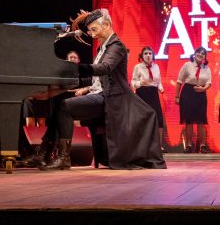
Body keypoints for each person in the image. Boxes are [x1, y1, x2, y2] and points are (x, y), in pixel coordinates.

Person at [36, 9, 165, 170]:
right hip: (101, 94)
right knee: (59, 109)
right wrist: (67, 82)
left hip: (112, 98)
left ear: (107, 25)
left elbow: (105, 68)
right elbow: (95, 79)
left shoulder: (117, 46)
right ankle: (42, 154)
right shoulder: (102, 48)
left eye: (94, 29)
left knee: (64, 107)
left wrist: (74, 68)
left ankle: (63, 157)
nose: (91, 34)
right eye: (90, 31)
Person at [22, 50, 81, 128]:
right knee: (30, 124)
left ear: (79, 60)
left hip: (43, 96)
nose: (73, 59)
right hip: (31, 96)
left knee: (42, 124)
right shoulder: (29, 65)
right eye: (71, 57)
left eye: (75, 57)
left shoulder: (50, 67)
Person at [176, 46, 212, 154]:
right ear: (194, 54)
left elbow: (209, 83)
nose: (200, 54)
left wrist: (203, 89)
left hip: (201, 94)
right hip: (188, 93)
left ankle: (203, 146)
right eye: (198, 52)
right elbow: (179, 81)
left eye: (203, 53)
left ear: (205, 57)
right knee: (189, 121)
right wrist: (177, 96)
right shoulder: (187, 65)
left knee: (201, 121)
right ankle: (188, 146)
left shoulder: (207, 68)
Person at [131, 46, 165, 150]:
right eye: (146, 53)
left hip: (153, 93)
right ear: (142, 56)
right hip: (142, 93)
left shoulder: (156, 66)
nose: (148, 55)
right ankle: (142, 146)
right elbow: (133, 82)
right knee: (142, 119)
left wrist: (161, 88)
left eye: (150, 53)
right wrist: (140, 83)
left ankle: (159, 146)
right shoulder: (138, 67)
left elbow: (158, 81)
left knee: (158, 119)